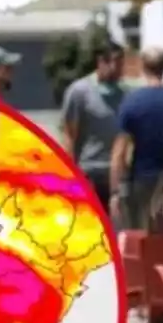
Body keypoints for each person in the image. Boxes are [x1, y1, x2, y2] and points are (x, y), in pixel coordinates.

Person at [110, 48, 163, 230]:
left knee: (143, 237)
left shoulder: (131, 102)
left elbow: (119, 153)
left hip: (142, 179)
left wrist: (116, 191)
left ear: (143, 67)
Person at [62, 41, 127, 206]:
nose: (118, 69)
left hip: (115, 174)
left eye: (121, 64)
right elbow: (70, 135)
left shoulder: (123, 94)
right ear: (101, 62)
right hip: (89, 171)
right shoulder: (80, 92)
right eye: (114, 63)